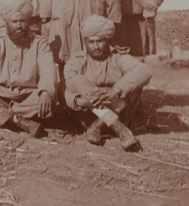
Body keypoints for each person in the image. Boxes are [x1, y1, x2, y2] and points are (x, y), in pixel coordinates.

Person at [0, 0, 58, 137]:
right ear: (7, 22)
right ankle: (18, 120)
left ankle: (3, 117)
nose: (19, 26)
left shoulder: (40, 43)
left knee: (50, 97)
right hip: (0, 96)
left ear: (28, 21)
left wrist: (45, 92)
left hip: (27, 98)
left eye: (22, 21)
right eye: (14, 21)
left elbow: (48, 69)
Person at [63, 15, 151, 150]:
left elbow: (144, 71)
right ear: (85, 42)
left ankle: (100, 125)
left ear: (108, 40)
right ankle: (120, 129)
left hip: (121, 114)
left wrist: (116, 90)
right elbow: (66, 86)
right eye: (91, 42)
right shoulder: (77, 61)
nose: (96, 46)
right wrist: (81, 101)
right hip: (88, 117)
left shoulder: (118, 57)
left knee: (133, 84)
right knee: (76, 81)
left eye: (100, 41)